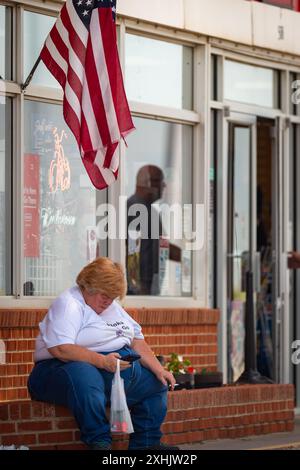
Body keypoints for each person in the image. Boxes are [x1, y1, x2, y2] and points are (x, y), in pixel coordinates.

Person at [27, 257, 177, 451]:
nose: (108, 301)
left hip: (110, 369)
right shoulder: (70, 303)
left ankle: (146, 445)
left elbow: (137, 340)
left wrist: (159, 369)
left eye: (113, 296)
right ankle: (99, 442)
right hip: (57, 370)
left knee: (156, 383)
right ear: (88, 286)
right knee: (86, 375)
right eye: (104, 295)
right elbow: (61, 349)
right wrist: (101, 361)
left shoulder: (113, 308)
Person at [126, 165, 181, 295]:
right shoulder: (136, 209)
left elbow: (162, 246)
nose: (164, 186)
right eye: (160, 181)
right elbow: (132, 250)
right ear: (149, 183)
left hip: (146, 290)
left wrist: (188, 258)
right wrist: (138, 287)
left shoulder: (150, 211)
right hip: (138, 292)